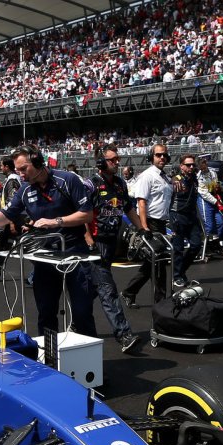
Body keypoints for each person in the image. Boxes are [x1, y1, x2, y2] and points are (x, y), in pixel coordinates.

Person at [0, 146, 97, 337]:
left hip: (74, 253)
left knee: (82, 312)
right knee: (46, 313)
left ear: (38, 163)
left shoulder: (67, 180)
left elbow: (87, 214)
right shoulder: (24, 189)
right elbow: (7, 215)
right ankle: (50, 360)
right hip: (44, 258)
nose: (20, 173)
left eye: (23, 169)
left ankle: (89, 363)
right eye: (17, 170)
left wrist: (55, 222)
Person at [88, 146, 142, 353]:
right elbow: (84, 212)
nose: (117, 162)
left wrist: (142, 229)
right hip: (96, 242)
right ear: (101, 163)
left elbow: (128, 207)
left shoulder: (120, 184)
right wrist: (87, 238)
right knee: (107, 289)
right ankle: (124, 334)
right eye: (112, 160)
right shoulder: (91, 184)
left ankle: (76, 320)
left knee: (93, 289)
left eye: (118, 159)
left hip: (112, 242)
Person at [121, 143, 171, 306]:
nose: (162, 157)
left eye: (164, 155)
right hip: (150, 222)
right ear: (152, 157)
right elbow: (141, 203)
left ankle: (129, 291)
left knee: (152, 263)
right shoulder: (147, 176)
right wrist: (144, 227)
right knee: (159, 264)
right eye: (158, 155)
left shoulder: (166, 177)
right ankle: (161, 303)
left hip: (161, 223)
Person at [169, 153, 202, 287]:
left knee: (196, 245)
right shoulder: (177, 178)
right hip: (177, 215)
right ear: (182, 166)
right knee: (178, 248)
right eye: (188, 165)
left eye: (193, 164)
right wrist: (174, 180)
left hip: (191, 216)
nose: (191, 167)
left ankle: (181, 271)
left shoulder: (194, 178)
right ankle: (177, 276)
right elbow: (172, 179)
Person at [195, 157, 223, 257]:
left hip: (213, 198)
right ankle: (206, 247)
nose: (202, 169)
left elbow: (216, 184)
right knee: (209, 225)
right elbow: (203, 193)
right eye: (200, 168)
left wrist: (218, 188)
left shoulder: (213, 173)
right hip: (204, 200)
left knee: (220, 222)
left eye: (203, 167)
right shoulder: (198, 176)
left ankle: (215, 245)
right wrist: (215, 202)